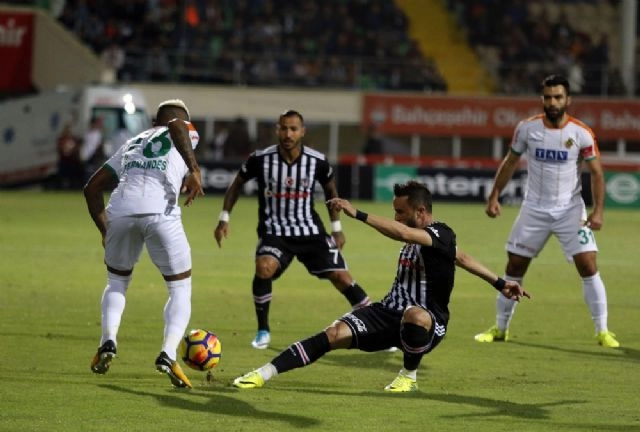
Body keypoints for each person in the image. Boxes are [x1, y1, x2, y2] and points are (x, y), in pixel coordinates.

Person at [231, 181, 529, 392]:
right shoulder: (436, 242)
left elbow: (403, 234)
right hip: (387, 312)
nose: (397, 217)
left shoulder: (441, 233)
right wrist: (500, 282)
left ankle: (408, 375)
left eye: (401, 212)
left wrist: (357, 213)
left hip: (429, 322)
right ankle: (263, 373)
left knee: (415, 314)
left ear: (421, 212)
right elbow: (461, 258)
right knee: (333, 334)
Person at [474, 74, 620, 348]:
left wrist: (598, 211)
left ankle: (603, 331)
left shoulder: (581, 132)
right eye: (548, 97)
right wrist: (494, 196)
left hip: (570, 211)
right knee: (514, 265)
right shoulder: (527, 129)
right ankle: (500, 328)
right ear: (542, 99)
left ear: (568, 100)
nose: (552, 102)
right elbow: (510, 162)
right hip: (534, 209)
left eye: (558, 97)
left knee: (588, 265)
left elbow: (597, 173)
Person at [214, 109, 372, 350]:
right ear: (277, 130)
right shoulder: (260, 159)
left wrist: (337, 228)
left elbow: (331, 191)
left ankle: (375, 326)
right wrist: (224, 218)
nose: (288, 134)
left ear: (302, 132)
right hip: (274, 232)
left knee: (342, 277)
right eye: (284, 128)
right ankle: (263, 331)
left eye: (293, 129)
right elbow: (236, 185)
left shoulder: (317, 161)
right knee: (264, 267)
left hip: (310, 232)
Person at [84, 99, 205, 388]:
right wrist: (194, 169)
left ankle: (108, 341)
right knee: (180, 287)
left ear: (152, 123)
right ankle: (168, 353)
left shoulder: (133, 142)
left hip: (120, 211)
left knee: (116, 281)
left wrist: (106, 231)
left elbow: (91, 188)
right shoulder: (184, 128)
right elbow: (176, 126)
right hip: (159, 211)